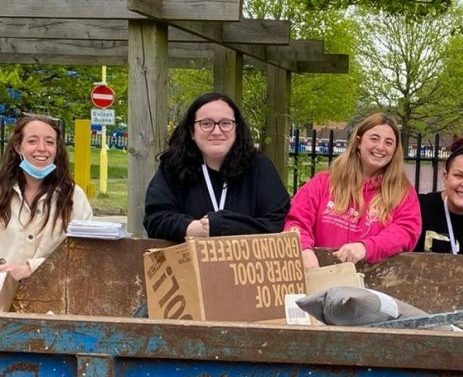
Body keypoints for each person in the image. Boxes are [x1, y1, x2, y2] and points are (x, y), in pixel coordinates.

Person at [143, 92, 290, 242]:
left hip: (248, 257)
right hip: (188, 256)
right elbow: (155, 219)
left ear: (236, 129)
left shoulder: (258, 166)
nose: (217, 131)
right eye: (206, 124)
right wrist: (193, 228)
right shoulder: (174, 167)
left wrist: (224, 227)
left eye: (225, 123)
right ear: (192, 131)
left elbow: (278, 222)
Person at [284, 113, 421, 269]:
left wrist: (366, 247)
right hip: (321, 274)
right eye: (374, 139)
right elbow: (296, 221)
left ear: (395, 150)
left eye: (389, 142)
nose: (380, 147)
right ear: (358, 142)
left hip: (376, 277)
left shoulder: (402, 191)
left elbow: (406, 230)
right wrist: (302, 249)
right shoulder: (323, 183)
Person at [0, 116, 93, 281]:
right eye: (32, 141)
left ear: (57, 149)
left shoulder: (74, 197)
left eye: (49, 142)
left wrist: (29, 269)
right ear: (18, 147)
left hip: (53, 292)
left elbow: (85, 253)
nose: (42, 148)